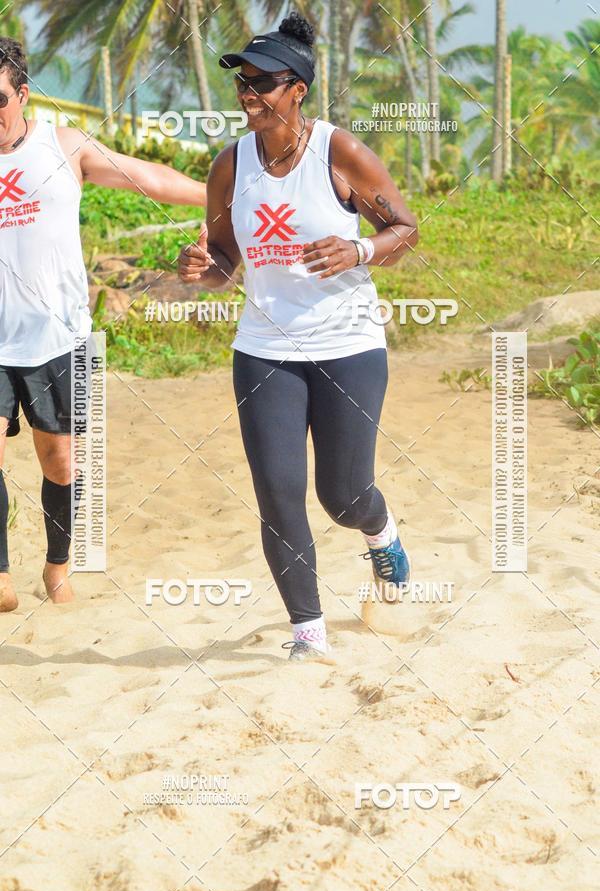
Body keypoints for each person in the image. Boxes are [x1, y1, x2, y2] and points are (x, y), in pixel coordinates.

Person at [178, 12, 418, 661]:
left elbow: (406, 231)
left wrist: (360, 249)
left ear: (298, 90)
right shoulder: (230, 167)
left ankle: (382, 535)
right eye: (242, 82)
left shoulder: (339, 153)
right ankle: (308, 636)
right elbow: (225, 259)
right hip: (264, 350)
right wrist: (205, 271)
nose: (249, 93)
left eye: (263, 82)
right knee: (279, 497)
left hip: (349, 346)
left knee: (342, 496)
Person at [0, 38, 207, 611]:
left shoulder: (63, 146)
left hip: (56, 337)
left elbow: (148, 178)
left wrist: (223, 197)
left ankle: (57, 567)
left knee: (60, 461)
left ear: (22, 95)